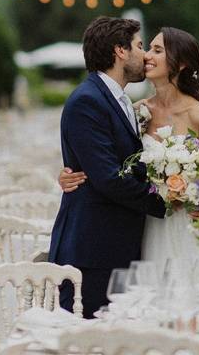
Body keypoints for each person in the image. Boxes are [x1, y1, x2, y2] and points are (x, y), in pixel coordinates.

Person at [58, 26, 199, 281]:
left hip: (182, 223)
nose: (147, 55)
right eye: (144, 47)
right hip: (146, 220)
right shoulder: (138, 111)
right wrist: (70, 172)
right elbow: (107, 161)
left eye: (156, 50)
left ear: (179, 64)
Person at [48, 16, 166, 318]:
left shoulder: (121, 100)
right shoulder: (87, 101)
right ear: (120, 51)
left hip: (117, 245)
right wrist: (167, 204)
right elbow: (109, 178)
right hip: (93, 251)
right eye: (140, 46)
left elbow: (132, 165)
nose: (145, 55)